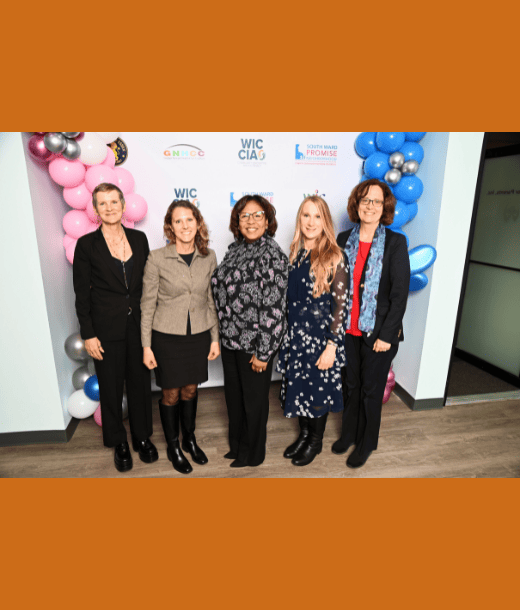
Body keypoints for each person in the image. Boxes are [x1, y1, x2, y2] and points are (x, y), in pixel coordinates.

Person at [73, 183, 157, 473]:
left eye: (114, 202)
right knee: (110, 387)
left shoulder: (139, 238)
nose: (109, 207)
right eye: (102, 203)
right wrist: (88, 333)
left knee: (140, 383)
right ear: (95, 210)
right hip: (105, 328)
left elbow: (147, 284)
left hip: (138, 325)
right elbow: (82, 294)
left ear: (123, 206)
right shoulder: (86, 245)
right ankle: (118, 440)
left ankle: (142, 436)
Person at [332, 178, 410, 468]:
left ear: (385, 206)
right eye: (365, 200)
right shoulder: (342, 240)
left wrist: (387, 335)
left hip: (379, 333)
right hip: (348, 329)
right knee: (350, 385)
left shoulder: (395, 243)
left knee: (370, 390)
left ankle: (366, 443)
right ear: (357, 204)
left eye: (377, 201)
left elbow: (400, 295)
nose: (371, 206)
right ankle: (349, 434)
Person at [141, 201, 219, 475]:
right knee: (171, 392)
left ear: (198, 223)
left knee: (191, 390)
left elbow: (210, 299)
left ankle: (190, 439)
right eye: (178, 221)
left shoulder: (209, 257)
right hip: (166, 337)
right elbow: (147, 304)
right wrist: (146, 346)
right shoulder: (157, 258)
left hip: (197, 335)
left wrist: (214, 338)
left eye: (190, 220)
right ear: (170, 227)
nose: (185, 226)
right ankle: (173, 446)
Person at [212, 195, 289, 468]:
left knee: (254, 403)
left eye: (257, 215)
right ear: (237, 222)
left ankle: (253, 454)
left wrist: (264, 353)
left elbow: (274, 309)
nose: (251, 220)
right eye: (245, 216)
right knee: (234, 399)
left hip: (255, 344)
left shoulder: (273, 255)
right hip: (231, 340)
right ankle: (237, 446)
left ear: (267, 221)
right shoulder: (235, 250)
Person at [276, 196, 349, 466]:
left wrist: (332, 346)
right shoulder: (295, 253)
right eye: (306, 215)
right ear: (299, 219)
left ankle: (315, 442)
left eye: (317, 216)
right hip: (296, 339)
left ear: (325, 221)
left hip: (321, 340)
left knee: (317, 394)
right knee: (300, 391)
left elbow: (342, 306)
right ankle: (304, 435)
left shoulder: (335, 256)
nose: (311, 221)